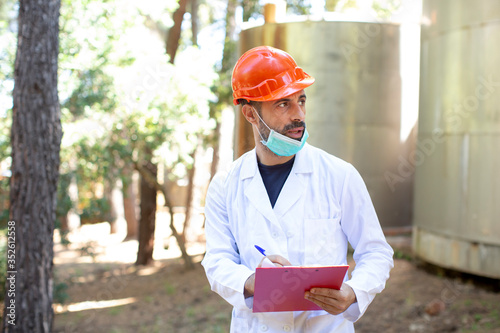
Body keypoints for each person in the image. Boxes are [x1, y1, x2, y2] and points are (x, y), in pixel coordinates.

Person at [201, 46, 394, 332]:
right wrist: (253, 283)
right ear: (251, 114)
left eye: (301, 100)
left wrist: (353, 292)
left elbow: (376, 252)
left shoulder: (339, 176)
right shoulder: (225, 185)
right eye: (283, 104)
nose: (299, 115)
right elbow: (217, 260)